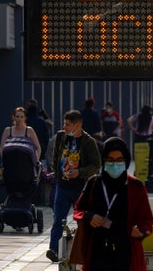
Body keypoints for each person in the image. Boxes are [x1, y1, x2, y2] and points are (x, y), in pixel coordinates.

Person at [72, 137, 153, 270]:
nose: (115, 164)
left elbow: (146, 219)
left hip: (126, 253)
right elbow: (78, 209)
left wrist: (141, 231)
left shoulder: (136, 186)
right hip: (97, 253)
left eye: (119, 160)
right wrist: (89, 216)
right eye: (110, 160)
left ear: (126, 161)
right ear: (104, 161)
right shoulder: (94, 183)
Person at [46, 109, 101, 262]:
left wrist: (80, 172)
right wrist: (58, 174)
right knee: (58, 219)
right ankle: (53, 250)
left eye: (68, 125)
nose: (65, 127)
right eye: (64, 123)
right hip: (62, 186)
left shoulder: (89, 141)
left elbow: (96, 164)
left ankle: (84, 250)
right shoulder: (61, 136)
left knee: (82, 220)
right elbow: (56, 158)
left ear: (77, 126)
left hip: (80, 188)